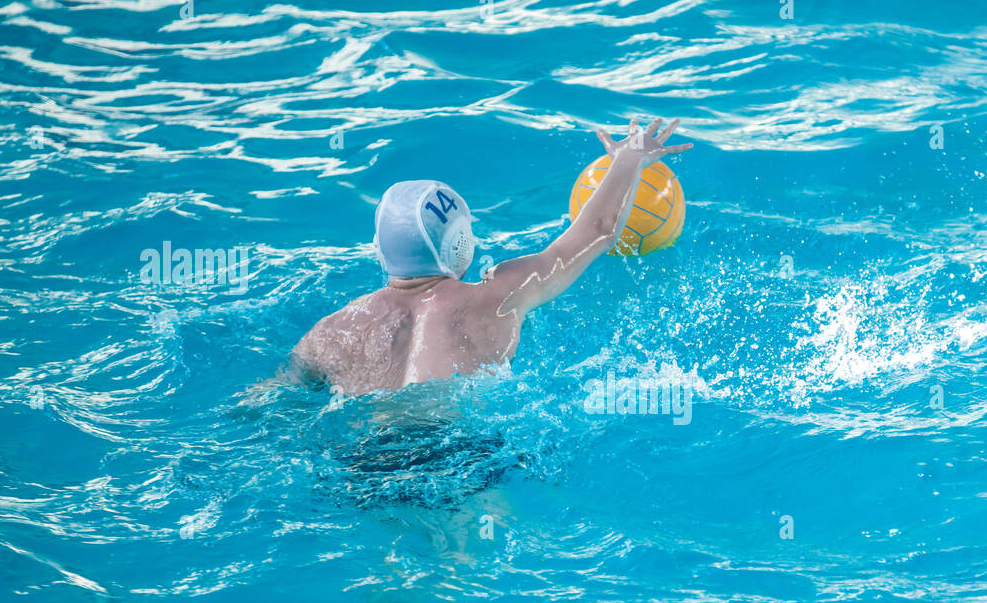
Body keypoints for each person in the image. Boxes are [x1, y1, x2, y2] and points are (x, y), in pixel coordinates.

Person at [292, 118, 692, 395]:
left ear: (379, 250)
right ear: (461, 244)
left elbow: (270, 401)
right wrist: (628, 158)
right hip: (457, 455)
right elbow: (599, 229)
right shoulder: (497, 295)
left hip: (364, 463)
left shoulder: (331, 331)